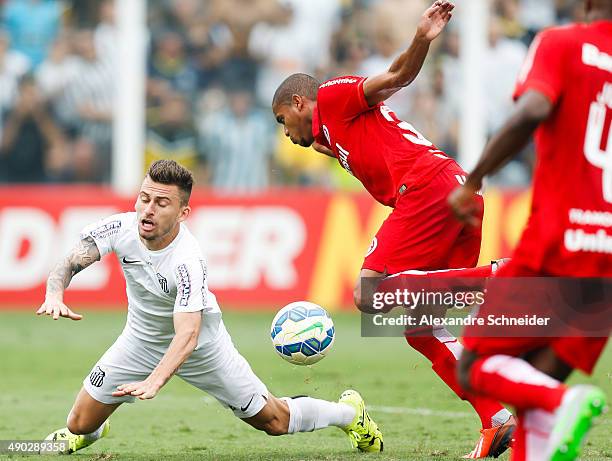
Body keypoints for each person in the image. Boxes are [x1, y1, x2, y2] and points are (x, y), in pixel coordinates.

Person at [272, 1, 514, 458]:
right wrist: (315, 142)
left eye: (284, 120)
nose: (285, 133)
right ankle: (496, 419)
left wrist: (422, 37)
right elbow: (337, 143)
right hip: (455, 193)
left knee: (369, 292)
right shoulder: (333, 133)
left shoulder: (334, 97)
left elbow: (396, 77)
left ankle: (498, 279)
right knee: (423, 329)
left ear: (300, 103)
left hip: (428, 190)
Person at [37, 160, 383, 454]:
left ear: (183, 213)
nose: (148, 209)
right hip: (140, 342)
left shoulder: (187, 260)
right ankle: (97, 429)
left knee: (274, 421)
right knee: (78, 423)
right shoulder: (121, 227)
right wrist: (55, 294)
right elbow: (69, 261)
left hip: (203, 348)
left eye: (161, 203)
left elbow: (187, 334)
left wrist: (155, 381)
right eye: (144, 199)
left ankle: (348, 413)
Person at [448, 0, 612, 459]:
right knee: (532, 388)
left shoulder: (561, 43)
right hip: (607, 258)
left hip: (560, 240)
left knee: (476, 366)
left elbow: (534, 107)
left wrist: (475, 178)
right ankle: (555, 404)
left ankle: (566, 404)